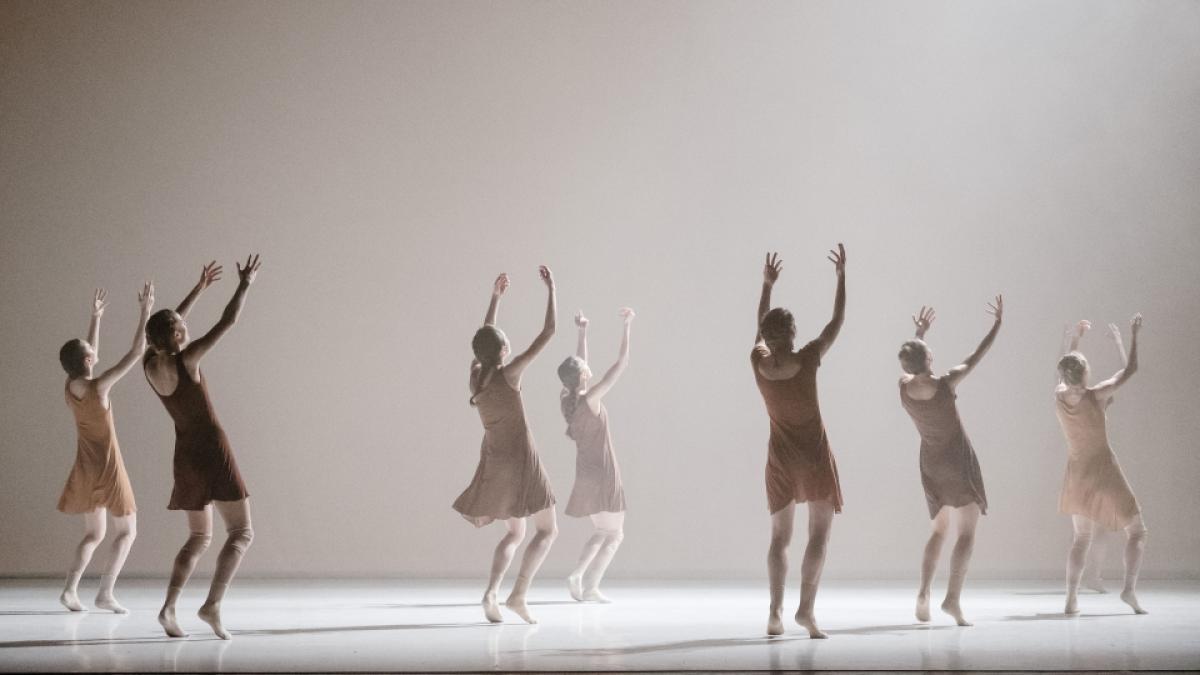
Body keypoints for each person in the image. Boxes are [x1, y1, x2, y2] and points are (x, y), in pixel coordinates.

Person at [143, 257, 261, 639]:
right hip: (212, 448)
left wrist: (198, 289)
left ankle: (169, 608)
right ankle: (211, 605)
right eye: (182, 328)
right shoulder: (188, 359)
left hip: (185, 453)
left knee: (198, 537)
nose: (186, 326)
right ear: (177, 336)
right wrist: (244, 285)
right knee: (241, 532)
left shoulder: (150, 362)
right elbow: (227, 322)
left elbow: (165, 322)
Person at [453, 267, 558, 624]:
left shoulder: (476, 377)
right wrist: (551, 289)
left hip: (495, 460)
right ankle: (519, 595)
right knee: (547, 529)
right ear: (502, 350)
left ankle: (491, 593)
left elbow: (482, 340)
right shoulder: (509, 374)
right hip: (521, 460)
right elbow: (548, 333)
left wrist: (495, 299)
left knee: (515, 532)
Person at [753, 246, 845, 638]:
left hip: (779, 459)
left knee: (779, 538)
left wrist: (766, 286)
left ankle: (775, 612)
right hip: (814, 457)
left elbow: (760, 329)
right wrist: (841, 277)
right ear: (792, 335)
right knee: (819, 534)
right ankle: (806, 610)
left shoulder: (758, 361)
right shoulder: (808, 359)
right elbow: (836, 322)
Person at [898, 298, 1003, 626]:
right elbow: (977, 356)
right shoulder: (945, 384)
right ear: (928, 358)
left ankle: (923, 594)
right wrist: (997, 324)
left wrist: (919, 333)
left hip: (930, 462)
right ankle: (953, 600)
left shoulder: (903, 387)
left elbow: (912, 366)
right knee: (966, 533)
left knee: (938, 530)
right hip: (956, 460)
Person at [57, 283, 154, 613]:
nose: (95, 354)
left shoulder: (71, 386)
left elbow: (87, 358)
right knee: (127, 531)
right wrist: (145, 312)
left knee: (94, 535)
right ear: (87, 359)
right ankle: (105, 592)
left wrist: (95, 319)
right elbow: (136, 352)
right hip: (109, 466)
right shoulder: (99, 388)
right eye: (91, 353)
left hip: (84, 467)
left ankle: (70, 590)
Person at [1056, 316, 1148, 615]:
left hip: (1077, 473)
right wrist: (1131, 336)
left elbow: (1063, 368)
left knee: (1081, 538)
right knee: (1137, 531)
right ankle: (1129, 591)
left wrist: (1075, 340)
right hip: (1103, 470)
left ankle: (1071, 598)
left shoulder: (1059, 396)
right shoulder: (1096, 396)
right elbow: (1130, 370)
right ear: (1085, 375)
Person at [558, 307, 635, 603]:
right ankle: (587, 584)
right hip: (604, 470)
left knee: (603, 531)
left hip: (584, 472)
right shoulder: (591, 399)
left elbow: (580, 367)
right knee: (615, 534)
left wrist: (582, 331)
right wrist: (628, 326)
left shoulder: (567, 399)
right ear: (583, 377)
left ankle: (579, 577)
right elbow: (622, 363)